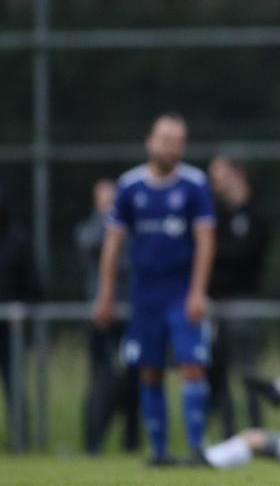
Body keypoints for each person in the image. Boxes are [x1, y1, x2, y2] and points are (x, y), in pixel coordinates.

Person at [93, 114, 216, 466]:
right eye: (165, 138)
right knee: (149, 368)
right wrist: (105, 295)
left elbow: (205, 242)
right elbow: (112, 245)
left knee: (192, 364)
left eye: (178, 140)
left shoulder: (194, 184)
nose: (170, 146)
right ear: (150, 141)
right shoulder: (130, 186)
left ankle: (196, 448)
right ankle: (159, 450)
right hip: (145, 293)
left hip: (180, 291)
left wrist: (197, 292)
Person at [75, 179, 140, 454]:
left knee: (134, 378)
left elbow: (131, 260)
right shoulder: (92, 226)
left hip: (130, 316)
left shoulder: (133, 226)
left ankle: (131, 440)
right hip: (102, 320)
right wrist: (106, 217)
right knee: (100, 381)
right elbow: (87, 244)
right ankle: (93, 441)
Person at [207, 155, 270, 436]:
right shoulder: (214, 214)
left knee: (248, 371)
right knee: (217, 371)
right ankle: (228, 433)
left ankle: (256, 431)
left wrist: (219, 253)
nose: (214, 183)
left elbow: (245, 253)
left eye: (219, 176)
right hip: (214, 305)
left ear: (236, 174)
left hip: (244, 303)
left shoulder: (257, 213)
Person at [0, 185, 40, 449]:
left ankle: (20, 442)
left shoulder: (18, 239)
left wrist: (24, 312)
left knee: (14, 385)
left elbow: (35, 285)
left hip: (10, 328)